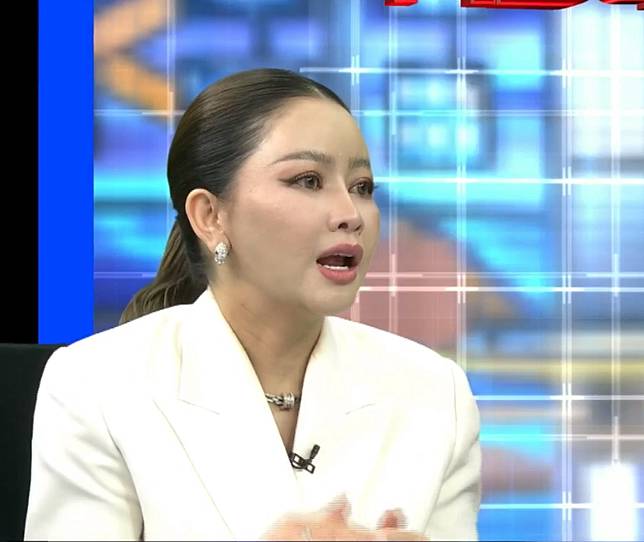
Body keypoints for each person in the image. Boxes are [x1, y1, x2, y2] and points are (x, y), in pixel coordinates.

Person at [24, 68, 481, 541]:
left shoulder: (436, 393)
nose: (351, 215)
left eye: (362, 187)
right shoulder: (97, 384)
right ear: (210, 216)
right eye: (308, 180)